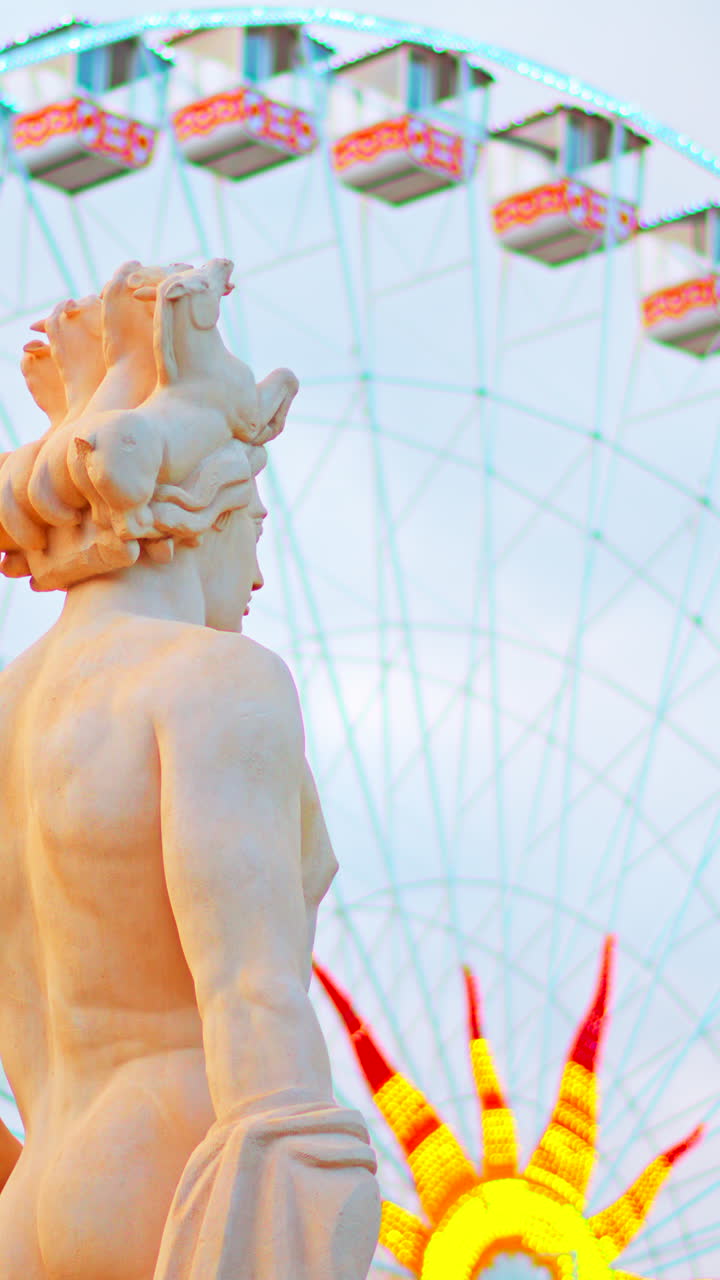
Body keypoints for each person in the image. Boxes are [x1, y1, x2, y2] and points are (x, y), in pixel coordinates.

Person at [0, 260, 380, 1279]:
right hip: (174, 1164)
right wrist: (315, 1185)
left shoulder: (5, 714)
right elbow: (249, 987)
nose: (254, 574)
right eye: (253, 529)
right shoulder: (214, 681)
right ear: (200, 511)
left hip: (31, 1196)